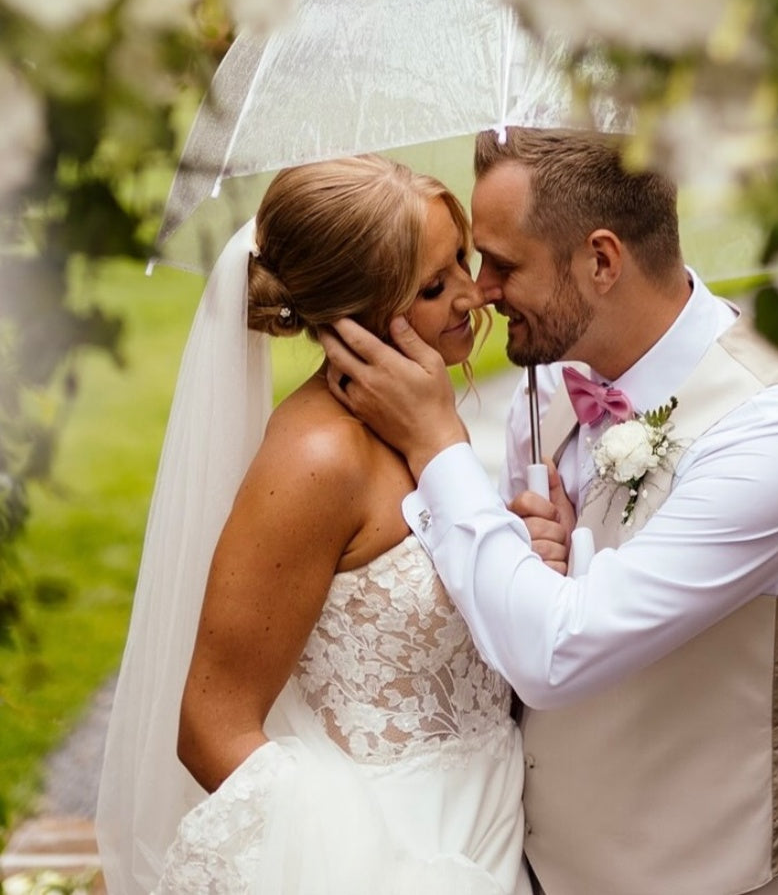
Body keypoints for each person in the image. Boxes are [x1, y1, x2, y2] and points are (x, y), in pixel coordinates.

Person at [320, 128, 778, 895]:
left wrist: (437, 442)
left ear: (602, 261)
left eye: (503, 263)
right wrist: (528, 556)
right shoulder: (548, 393)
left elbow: (556, 650)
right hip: (531, 868)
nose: (478, 291)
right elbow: (512, 627)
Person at [96, 155, 530, 895]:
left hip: (490, 817)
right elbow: (211, 727)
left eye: (460, 258)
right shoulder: (319, 460)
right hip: (396, 857)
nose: (470, 292)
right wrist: (376, 874)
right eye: (432, 287)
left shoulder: (416, 408)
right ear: (351, 315)